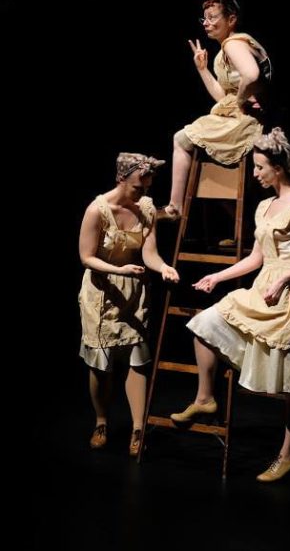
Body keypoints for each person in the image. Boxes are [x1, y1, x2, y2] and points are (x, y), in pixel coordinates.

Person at [170, 128, 290, 482]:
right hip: (263, 287)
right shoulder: (263, 206)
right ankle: (205, 398)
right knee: (206, 323)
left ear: (279, 167)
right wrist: (218, 278)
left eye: (260, 167)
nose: (255, 174)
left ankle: (287, 454)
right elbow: (257, 257)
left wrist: (285, 279)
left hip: (289, 293)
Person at [78, 152, 179, 456]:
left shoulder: (145, 207)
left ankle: (138, 428)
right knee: (101, 363)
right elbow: (87, 257)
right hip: (103, 291)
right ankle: (101, 421)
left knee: (138, 357)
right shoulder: (97, 210)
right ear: (121, 179)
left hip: (135, 292)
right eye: (137, 187)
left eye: (146, 188)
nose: (142, 193)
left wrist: (162, 267)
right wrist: (118, 270)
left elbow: (149, 252)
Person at [161, 0, 271, 221]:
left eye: (213, 18)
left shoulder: (234, 44)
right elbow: (224, 98)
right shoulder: (231, 47)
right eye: (205, 18)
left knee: (181, 139)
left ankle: (175, 206)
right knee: (207, 170)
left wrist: (241, 101)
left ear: (231, 19)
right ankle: (238, 224)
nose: (206, 23)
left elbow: (252, 75)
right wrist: (202, 69)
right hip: (244, 117)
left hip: (250, 122)